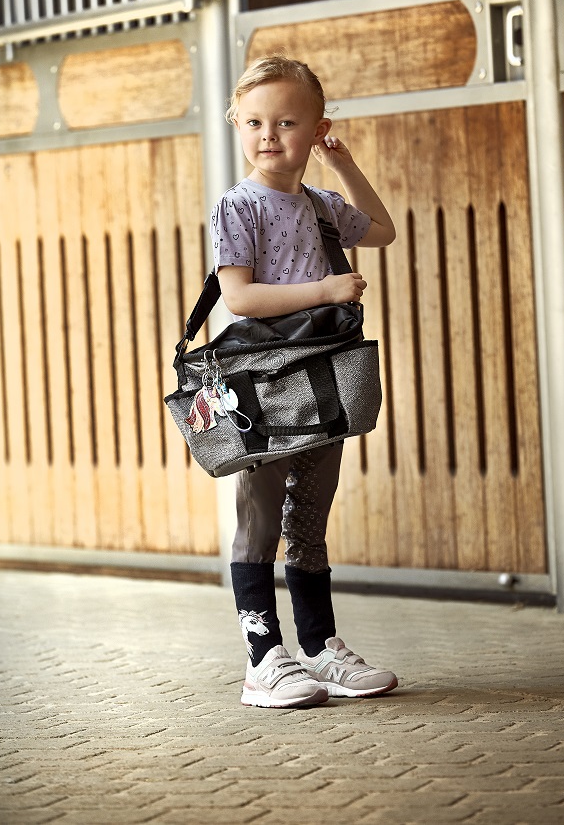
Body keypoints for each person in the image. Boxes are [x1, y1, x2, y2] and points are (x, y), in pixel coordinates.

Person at [210, 55, 398, 708]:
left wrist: (343, 165)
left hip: (323, 376)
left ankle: (319, 647)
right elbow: (238, 297)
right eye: (254, 122)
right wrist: (324, 288)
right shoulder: (238, 206)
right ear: (237, 124)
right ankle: (263, 659)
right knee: (261, 516)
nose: (269, 134)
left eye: (287, 122)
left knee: (310, 518)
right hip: (264, 382)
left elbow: (382, 230)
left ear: (317, 130)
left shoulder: (320, 206)